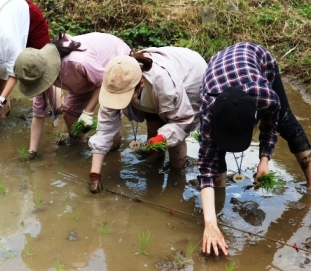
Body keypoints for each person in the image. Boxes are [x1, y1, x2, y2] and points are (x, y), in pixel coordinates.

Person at [197, 41, 311, 257]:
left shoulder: (266, 97)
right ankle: (216, 206)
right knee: (214, 154)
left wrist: (264, 159)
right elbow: (205, 166)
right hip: (218, 69)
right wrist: (210, 223)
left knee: (287, 122)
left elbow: (270, 124)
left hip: (256, 57)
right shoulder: (208, 111)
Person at [88, 47, 207, 193]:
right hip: (157, 83)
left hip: (191, 74)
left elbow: (181, 121)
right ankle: (155, 165)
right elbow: (104, 130)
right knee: (154, 122)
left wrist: (162, 137)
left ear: (141, 84)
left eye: (124, 96)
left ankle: (176, 178)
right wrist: (95, 174)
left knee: (173, 131)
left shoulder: (164, 84)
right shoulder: (115, 80)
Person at [14, 32, 131, 160]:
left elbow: (104, 82)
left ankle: (113, 157)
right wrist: (32, 151)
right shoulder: (38, 73)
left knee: (111, 132)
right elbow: (38, 114)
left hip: (114, 67)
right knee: (69, 113)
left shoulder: (78, 62)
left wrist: (88, 112)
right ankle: (78, 151)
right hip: (84, 80)